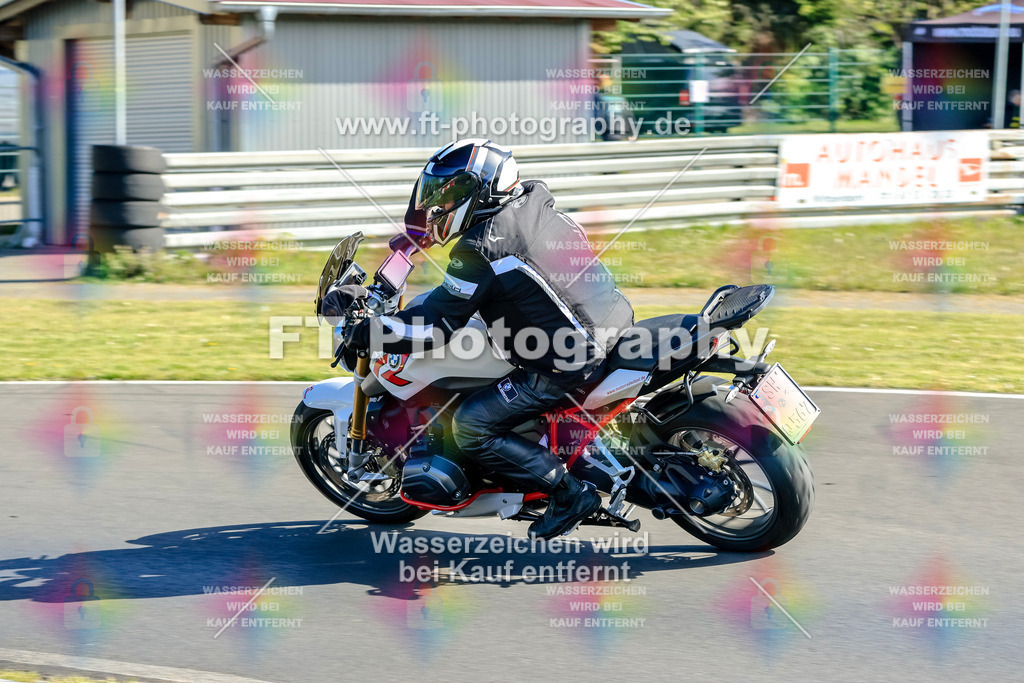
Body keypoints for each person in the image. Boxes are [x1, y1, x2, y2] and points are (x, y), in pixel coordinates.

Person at [337, 139, 634, 539]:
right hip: (612, 318)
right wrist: (412, 243)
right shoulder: (531, 201)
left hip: (568, 360)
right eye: (436, 193)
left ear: (481, 190)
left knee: (471, 426)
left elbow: (436, 326)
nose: (439, 203)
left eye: (450, 192)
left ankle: (569, 494)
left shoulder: (479, 250)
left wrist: (371, 333)